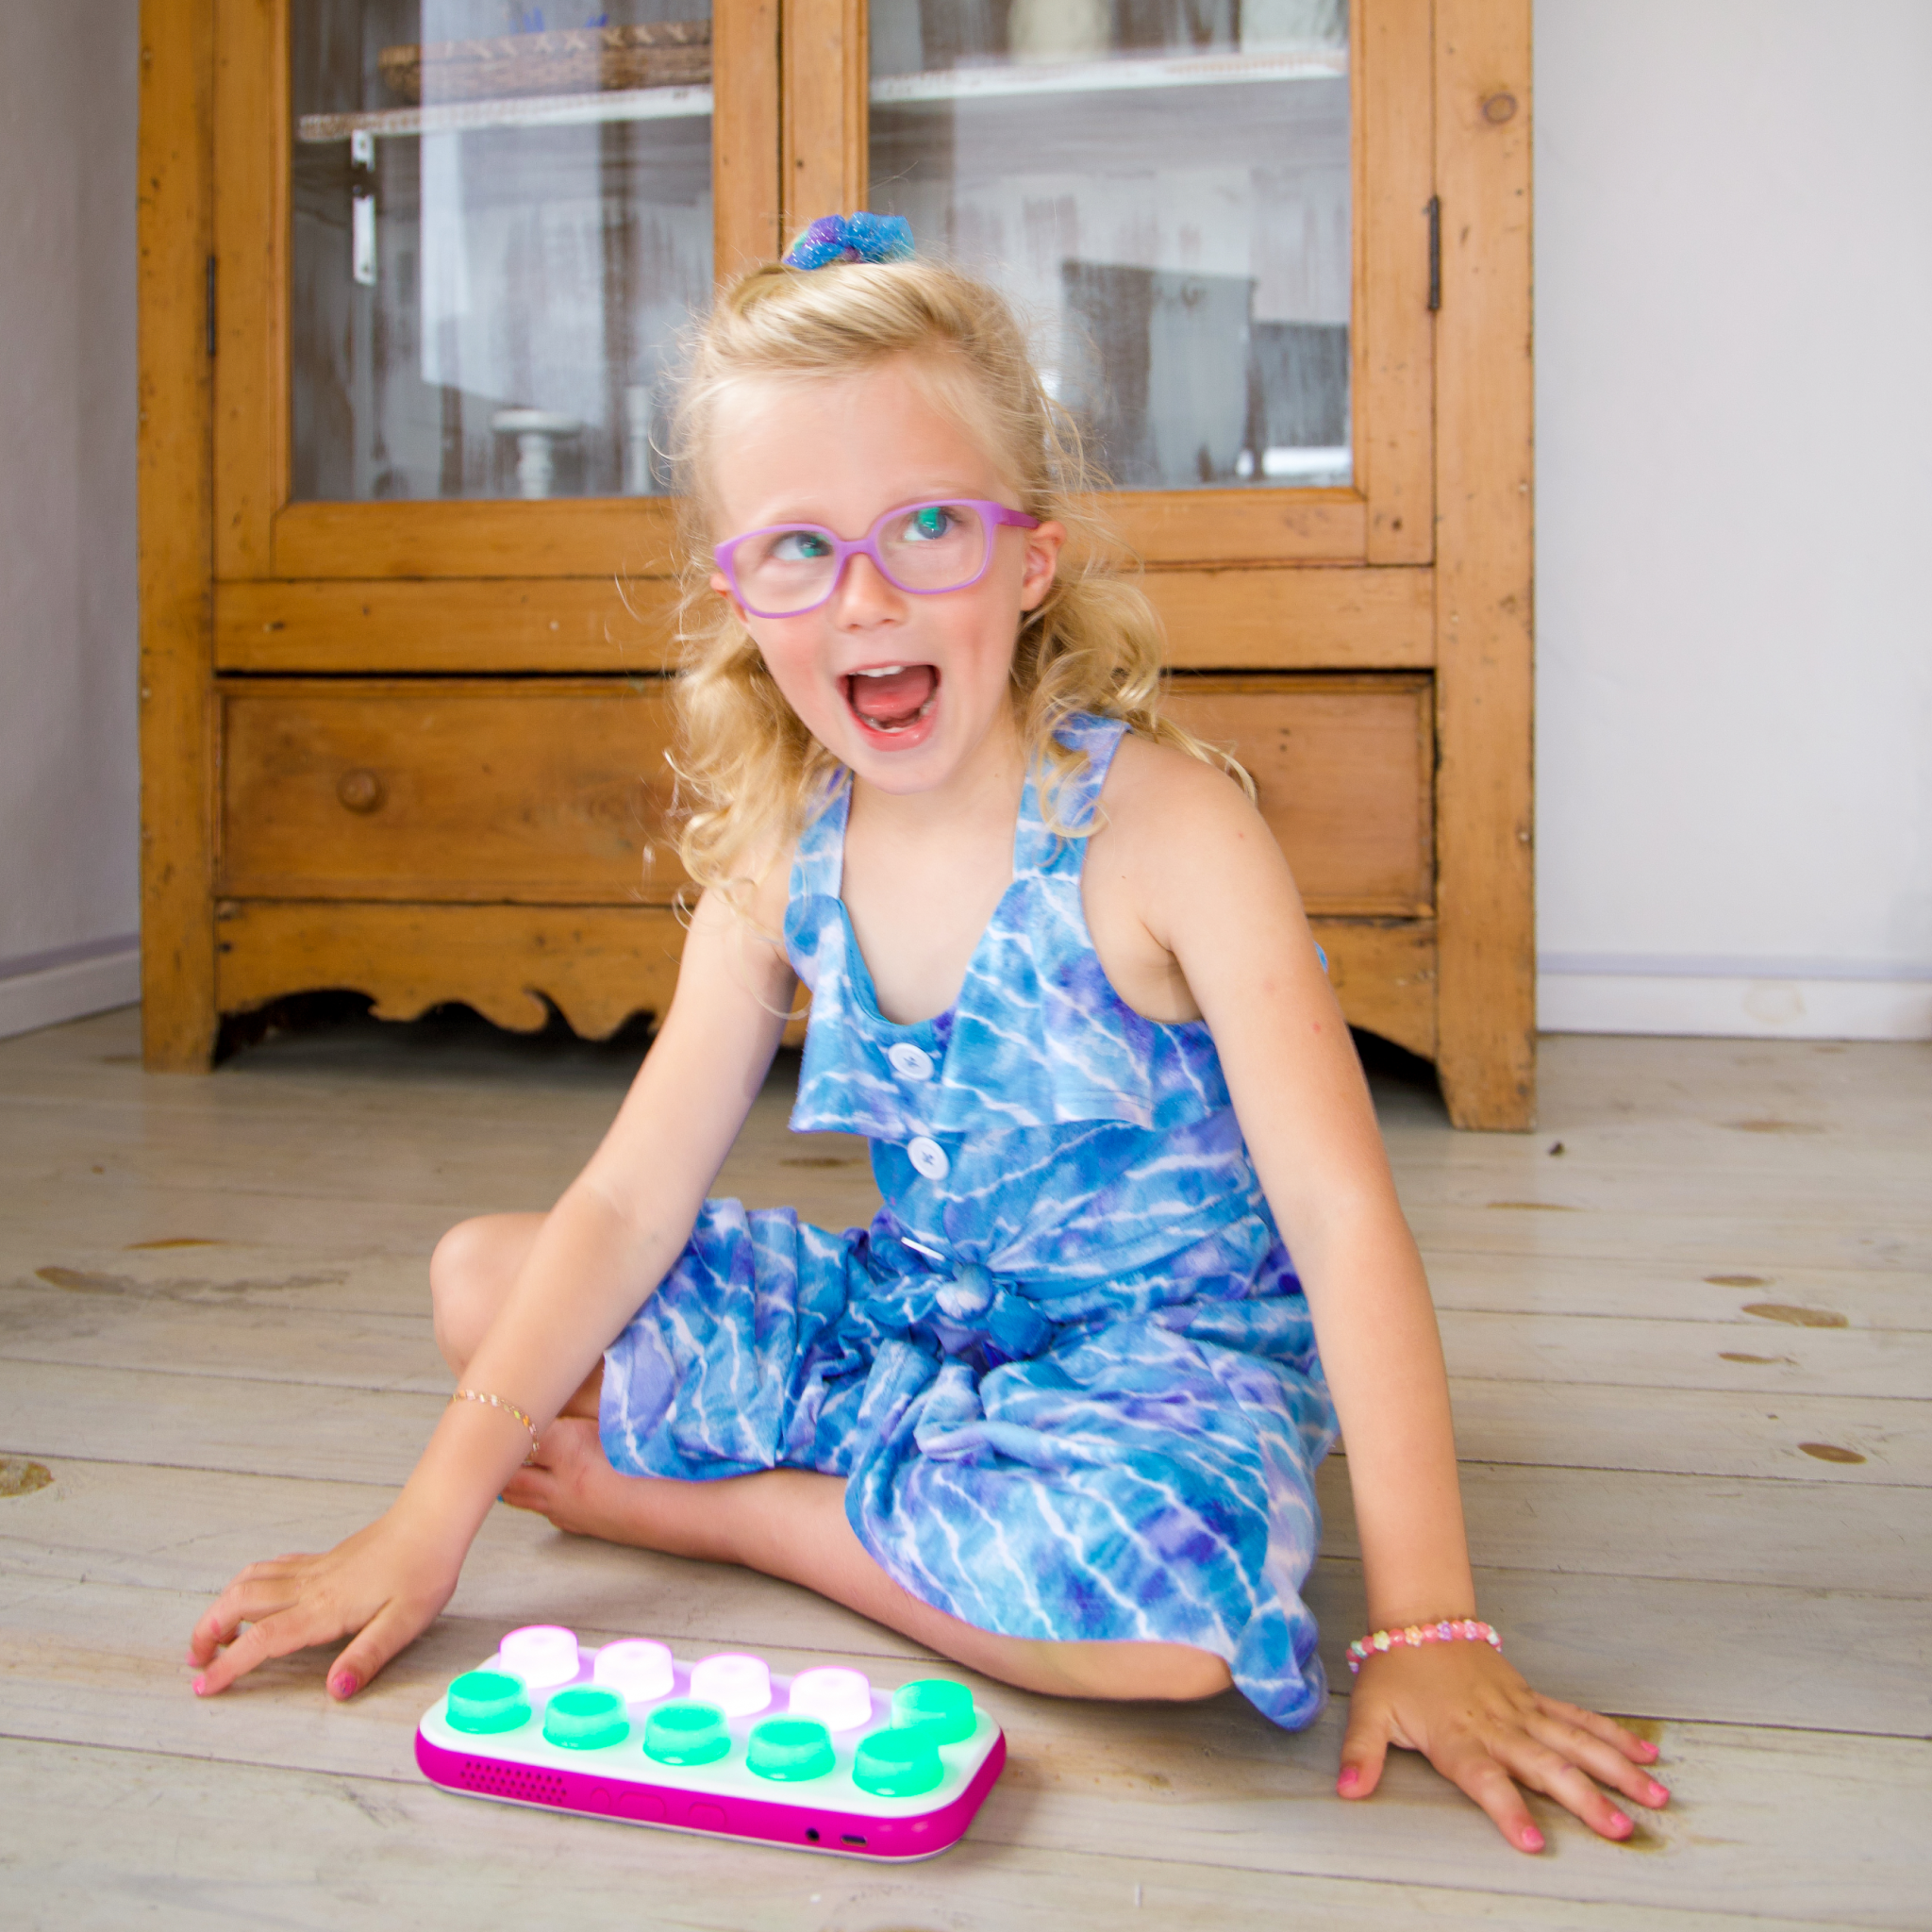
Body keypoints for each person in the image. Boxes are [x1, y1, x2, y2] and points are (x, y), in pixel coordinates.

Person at [190, 218, 1667, 1854]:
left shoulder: (1168, 833)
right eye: (800, 550)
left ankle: (751, 1522)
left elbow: (1342, 1222)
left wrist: (1432, 1624)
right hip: (916, 1327)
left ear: (1030, 558)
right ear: (740, 596)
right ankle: (892, 1492)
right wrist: (421, 1524)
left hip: (1153, 1365)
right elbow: (626, 1202)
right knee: (489, 1277)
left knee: (1175, 1632)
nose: (868, 596)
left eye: (929, 530)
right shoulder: (782, 844)